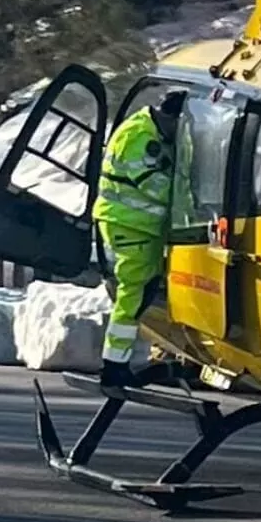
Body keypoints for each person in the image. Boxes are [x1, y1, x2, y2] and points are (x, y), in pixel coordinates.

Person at [93, 89, 186, 389]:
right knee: (135, 292)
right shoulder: (140, 139)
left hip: (136, 226)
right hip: (131, 226)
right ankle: (114, 365)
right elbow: (156, 186)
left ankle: (117, 362)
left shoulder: (146, 130)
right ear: (171, 119)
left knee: (141, 290)